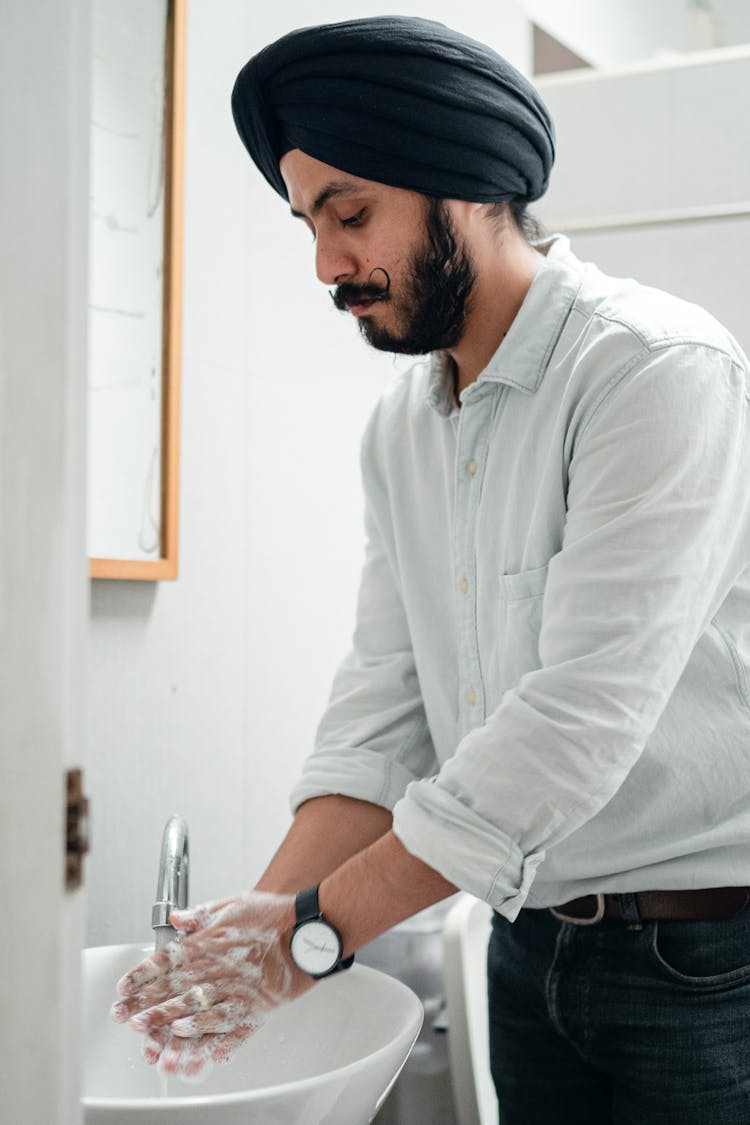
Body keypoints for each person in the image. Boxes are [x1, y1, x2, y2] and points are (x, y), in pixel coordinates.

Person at [111, 16, 750, 1122]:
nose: (327, 265)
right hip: (524, 946)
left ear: (464, 184)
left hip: (703, 967)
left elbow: (579, 717)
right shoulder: (403, 430)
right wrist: (252, 932)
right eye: (309, 222)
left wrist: (312, 934)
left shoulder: (654, 371)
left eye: (350, 214)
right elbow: (381, 714)